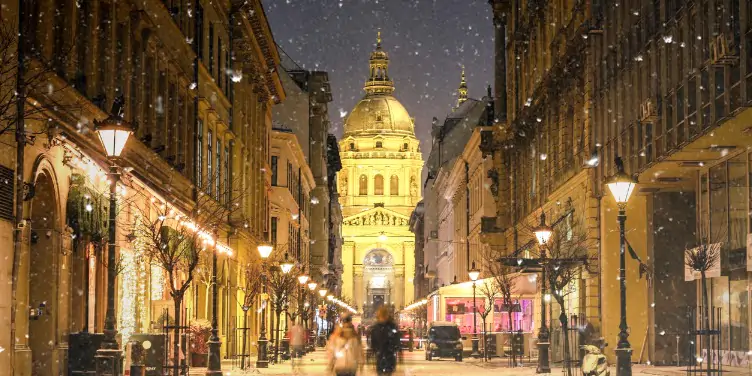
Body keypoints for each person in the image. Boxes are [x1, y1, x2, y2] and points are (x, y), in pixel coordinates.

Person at [369, 306, 400, 376]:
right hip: (381, 357)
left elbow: (396, 340)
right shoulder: (376, 327)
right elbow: (373, 342)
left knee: (387, 373)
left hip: (388, 356)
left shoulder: (391, 326)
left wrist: (394, 348)